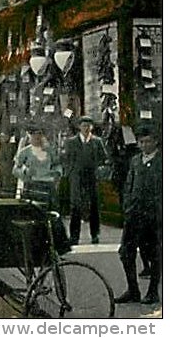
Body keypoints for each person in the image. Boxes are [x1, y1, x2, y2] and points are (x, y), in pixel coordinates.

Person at [114, 124, 162, 305]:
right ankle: (133, 290)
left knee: (154, 253)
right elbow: (129, 185)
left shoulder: (163, 162)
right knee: (126, 252)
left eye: (147, 141)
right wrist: (127, 206)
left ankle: (153, 291)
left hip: (154, 216)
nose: (144, 145)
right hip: (134, 214)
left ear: (155, 142)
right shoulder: (135, 160)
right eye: (141, 142)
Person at [62, 116, 108, 245]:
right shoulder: (71, 142)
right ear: (79, 127)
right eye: (83, 126)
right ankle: (74, 236)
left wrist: (99, 170)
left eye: (88, 126)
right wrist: (70, 172)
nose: (86, 128)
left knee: (94, 206)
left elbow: (104, 158)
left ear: (91, 127)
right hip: (76, 178)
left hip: (92, 177)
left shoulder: (97, 141)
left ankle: (95, 235)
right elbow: (66, 159)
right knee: (75, 207)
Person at [12, 124, 62, 207]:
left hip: (48, 185)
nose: (37, 139)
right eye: (34, 136)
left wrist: (57, 173)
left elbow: (57, 165)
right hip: (32, 185)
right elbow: (15, 170)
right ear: (29, 137)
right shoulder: (24, 152)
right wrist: (25, 172)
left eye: (39, 136)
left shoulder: (50, 151)